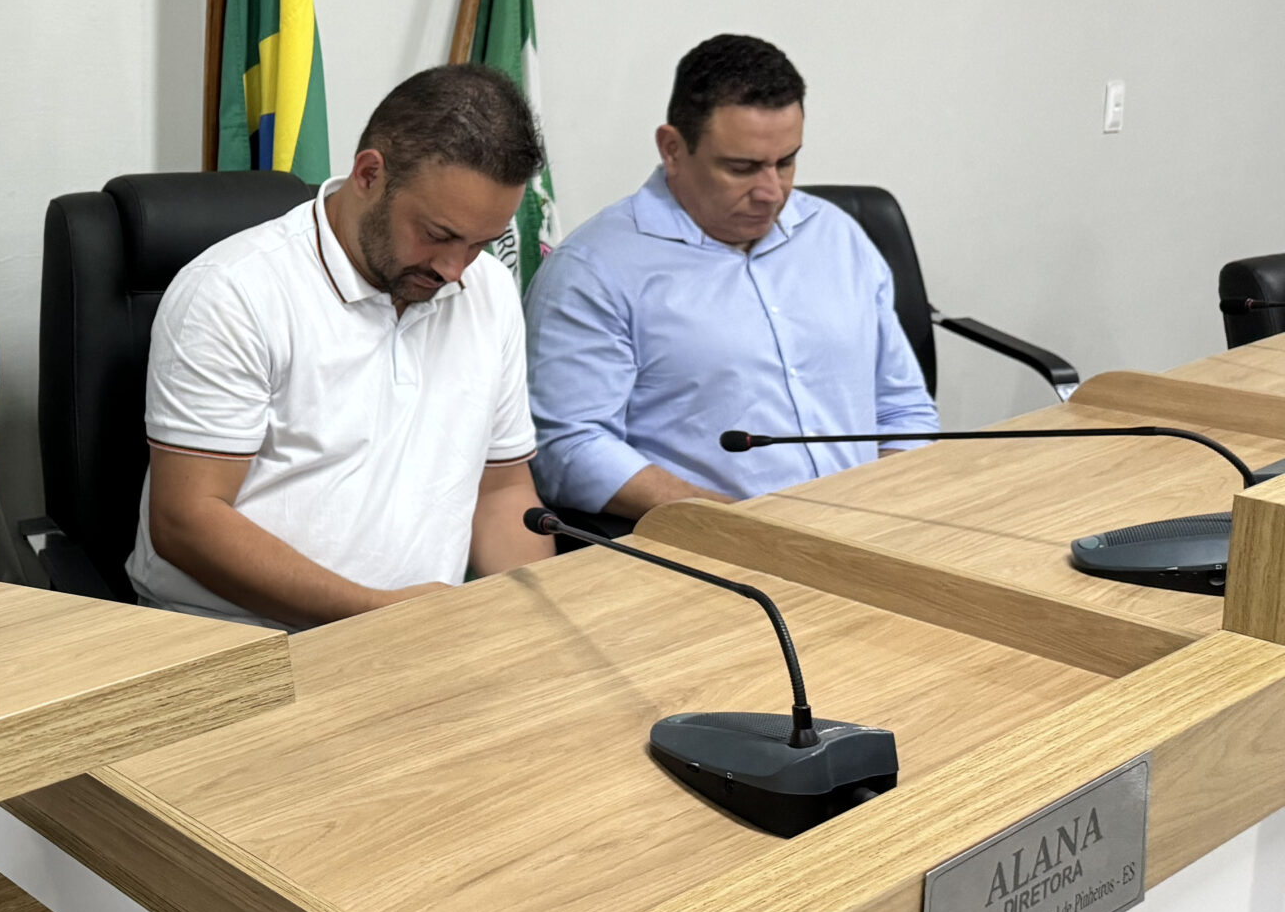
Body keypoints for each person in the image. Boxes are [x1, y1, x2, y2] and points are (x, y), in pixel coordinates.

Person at [127, 65, 558, 629]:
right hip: (237, 638)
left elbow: (500, 492)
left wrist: (530, 626)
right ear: (369, 174)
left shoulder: (489, 288)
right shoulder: (234, 291)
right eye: (439, 234)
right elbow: (186, 521)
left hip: (417, 635)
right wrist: (375, 615)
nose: (455, 269)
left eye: (480, 243)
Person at [524, 33, 938, 518]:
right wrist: (745, 528)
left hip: (871, 526)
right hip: (714, 545)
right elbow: (570, 448)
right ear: (672, 149)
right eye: (743, 168)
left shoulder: (836, 235)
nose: (772, 192)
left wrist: (883, 509)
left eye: (786, 162)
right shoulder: (593, 271)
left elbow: (902, 408)